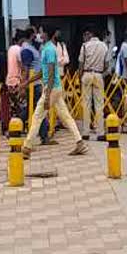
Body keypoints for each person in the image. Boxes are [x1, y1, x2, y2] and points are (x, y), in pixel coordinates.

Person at [22, 26, 87, 159]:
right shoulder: (46, 49)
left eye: (41, 32)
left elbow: (51, 72)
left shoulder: (50, 49)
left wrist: (47, 96)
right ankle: (79, 142)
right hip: (55, 88)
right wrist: (27, 82)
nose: (39, 35)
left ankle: (27, 147)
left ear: (46, 34)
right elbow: (43, 72)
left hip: (51, 88)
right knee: (66, 117)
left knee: (37, 116)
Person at [20, 28, 50, 146]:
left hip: (36, 83)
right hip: (33, 85)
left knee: (31, 109)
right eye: (36, 34)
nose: (38, 36)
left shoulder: (31, 48)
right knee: (40, 110)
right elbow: (25, 69)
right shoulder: (27, 50)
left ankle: (15, 126)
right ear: (32, 36)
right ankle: (44, 136)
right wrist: (23, 85)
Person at [78, 27, 108, 141]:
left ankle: (85, 133)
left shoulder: (85, 46)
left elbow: (81, 64)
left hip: (87, 74)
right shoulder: (104, 46)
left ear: (89, 34)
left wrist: (81, 77)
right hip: (99, 75)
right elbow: (106, 65)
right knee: (99, 104)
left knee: (86, 104)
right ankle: (100, 132)